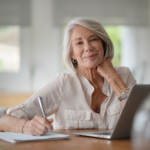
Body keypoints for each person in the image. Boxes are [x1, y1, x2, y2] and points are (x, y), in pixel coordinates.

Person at [0, 18, 136, 136]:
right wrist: (28, 127)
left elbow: (143, 118)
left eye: (93, 39)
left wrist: (112, 77)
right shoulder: (63, 83)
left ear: (103, 44)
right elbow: (5, 121)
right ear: (72, 54)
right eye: (79, 43)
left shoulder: (123, 75)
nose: (88, 47)